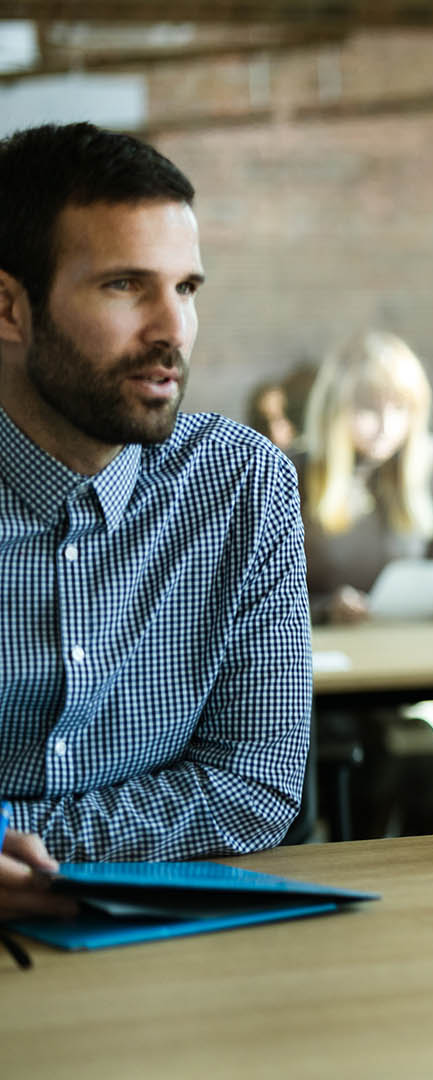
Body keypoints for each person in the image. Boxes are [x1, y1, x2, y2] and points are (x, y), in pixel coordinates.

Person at [0, 123, 310, 915]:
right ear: (8, 307)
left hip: (170, 948)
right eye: (124, 286)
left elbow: (254, 787)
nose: (171, 330)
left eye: (186, 289)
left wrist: (18, 841)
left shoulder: (239, 485)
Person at [300, 329, 433, 624]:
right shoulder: (294, 470)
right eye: (369, 408)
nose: (386, 425)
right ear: (336, 409)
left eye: (400, 408)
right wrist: (326, 610)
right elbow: (269, 598)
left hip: (413, 643)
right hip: (327, 648)